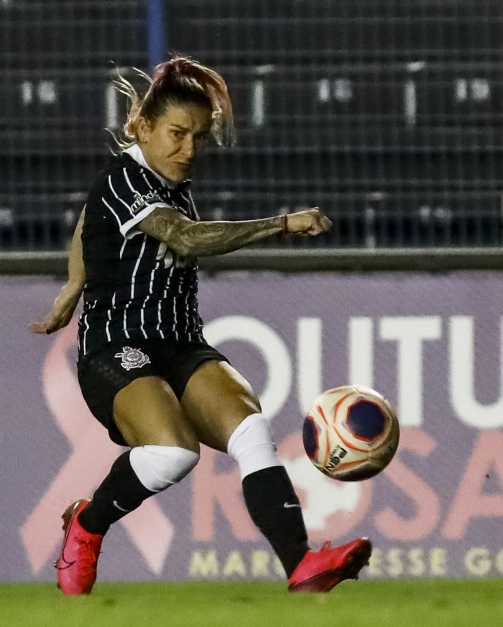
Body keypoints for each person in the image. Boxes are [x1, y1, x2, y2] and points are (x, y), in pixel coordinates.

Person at [30, 56, 371, 595]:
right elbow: (183, 238)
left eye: (200, 137)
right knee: (173, 452)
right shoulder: (126, 178)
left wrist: (74, 281)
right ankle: (87, 524)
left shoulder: (167, 181)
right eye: (177, 134)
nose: (189, 149)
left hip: (183, 342)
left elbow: (86, 224)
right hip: (116, 348)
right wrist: (279, 223)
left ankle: (301, 564)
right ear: (142, 127)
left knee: (251, 430)